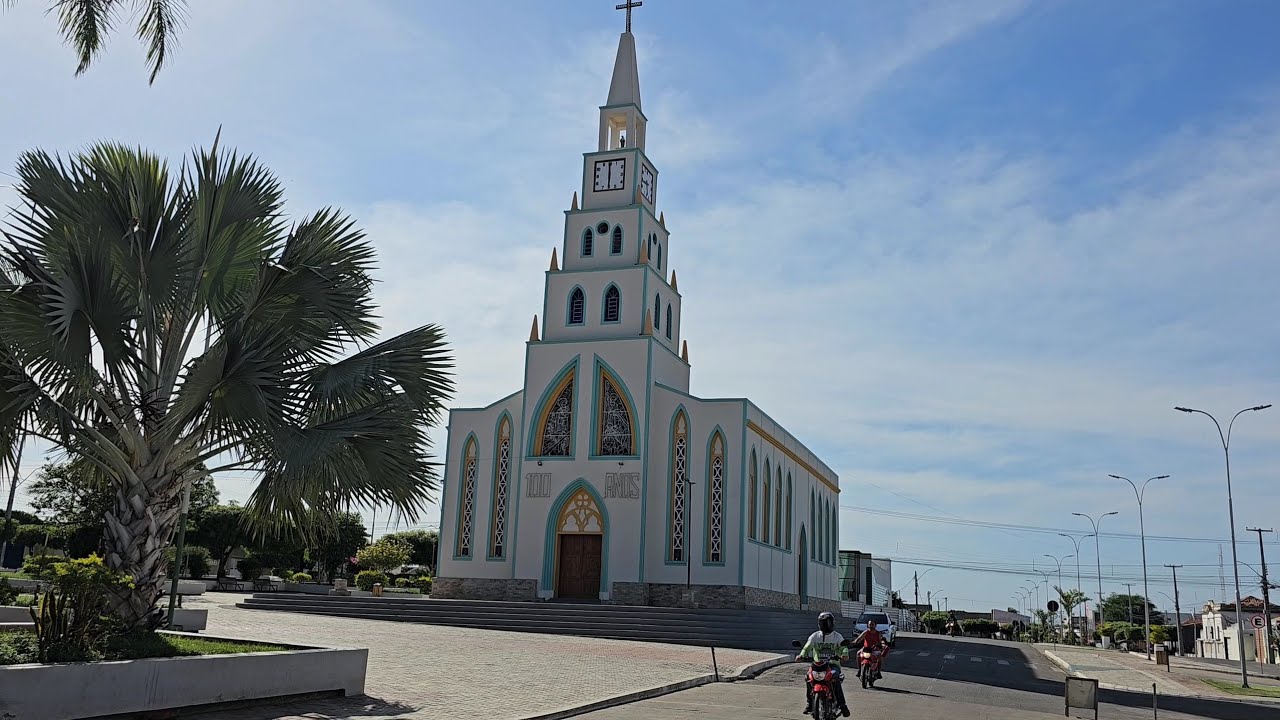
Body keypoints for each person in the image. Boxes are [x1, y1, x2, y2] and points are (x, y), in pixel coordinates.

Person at [796, 611, 851, 717]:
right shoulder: (815, 636)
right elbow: (807, 647)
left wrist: (844, 655)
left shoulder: (837, 636)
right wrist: (801, 655)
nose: (826, 625)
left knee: (835, 678)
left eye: (828, 622)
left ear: (832, 623)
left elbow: (843, 647)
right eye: (823, 622)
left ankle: (842, 705)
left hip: (832, 665)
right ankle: (809, 703)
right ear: (819, 624)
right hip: (817, 665)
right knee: (808, 677)